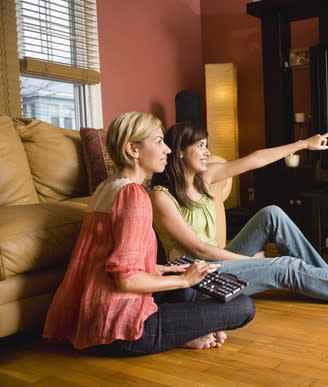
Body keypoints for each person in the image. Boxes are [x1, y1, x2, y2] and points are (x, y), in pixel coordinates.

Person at [42, 112, 255, 356]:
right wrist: (185, 279)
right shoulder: (134, 195)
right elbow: (127, 280)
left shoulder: (107, 187)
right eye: (158, 142)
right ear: (133, 149)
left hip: (93, 315)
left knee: (183, 284)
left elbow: (109, 261)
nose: (167, 149)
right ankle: (185, 334)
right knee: (243, 306)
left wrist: (164, 270)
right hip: (122, 328)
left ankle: (189, 331)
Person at [150, 121, 328, 305]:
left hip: (217, 264)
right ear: (179, 152)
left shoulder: (204, 177)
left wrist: (303, 144)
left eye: (206, 145)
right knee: (284, 266)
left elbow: (255, 159)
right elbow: (201, 250)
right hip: (196, 283)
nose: (207, 152)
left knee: (272, 213)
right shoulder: (161, 196)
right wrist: (255, 262)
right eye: (199, 146)